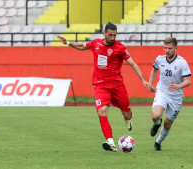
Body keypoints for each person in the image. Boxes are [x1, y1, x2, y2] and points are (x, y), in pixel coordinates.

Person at [57, 22, 149, 152]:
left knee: (128, 114)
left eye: (115, 35)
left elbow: (132, 63)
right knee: (101, 111)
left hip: (117, 86)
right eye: (110, 35)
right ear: (104, 33)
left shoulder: (120, 48)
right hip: (101, 86)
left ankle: (126, 119)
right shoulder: (96, 43)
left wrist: (143, 80)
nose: (112, 38)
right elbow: (83, 46)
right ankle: (110, 142)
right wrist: (68, 43)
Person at [147, 37, 191, 151]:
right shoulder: (159, 59)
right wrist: (150, 83)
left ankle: (158, 142)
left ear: (176, 48)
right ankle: (157, 123)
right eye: (166, 48)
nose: (167, 50)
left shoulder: (182, 62)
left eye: (170, 48)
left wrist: (178, 86)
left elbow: (188, 81)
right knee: (155, 115)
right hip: (162, 91)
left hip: (176, 97)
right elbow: (154, 69)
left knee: (167, 124)